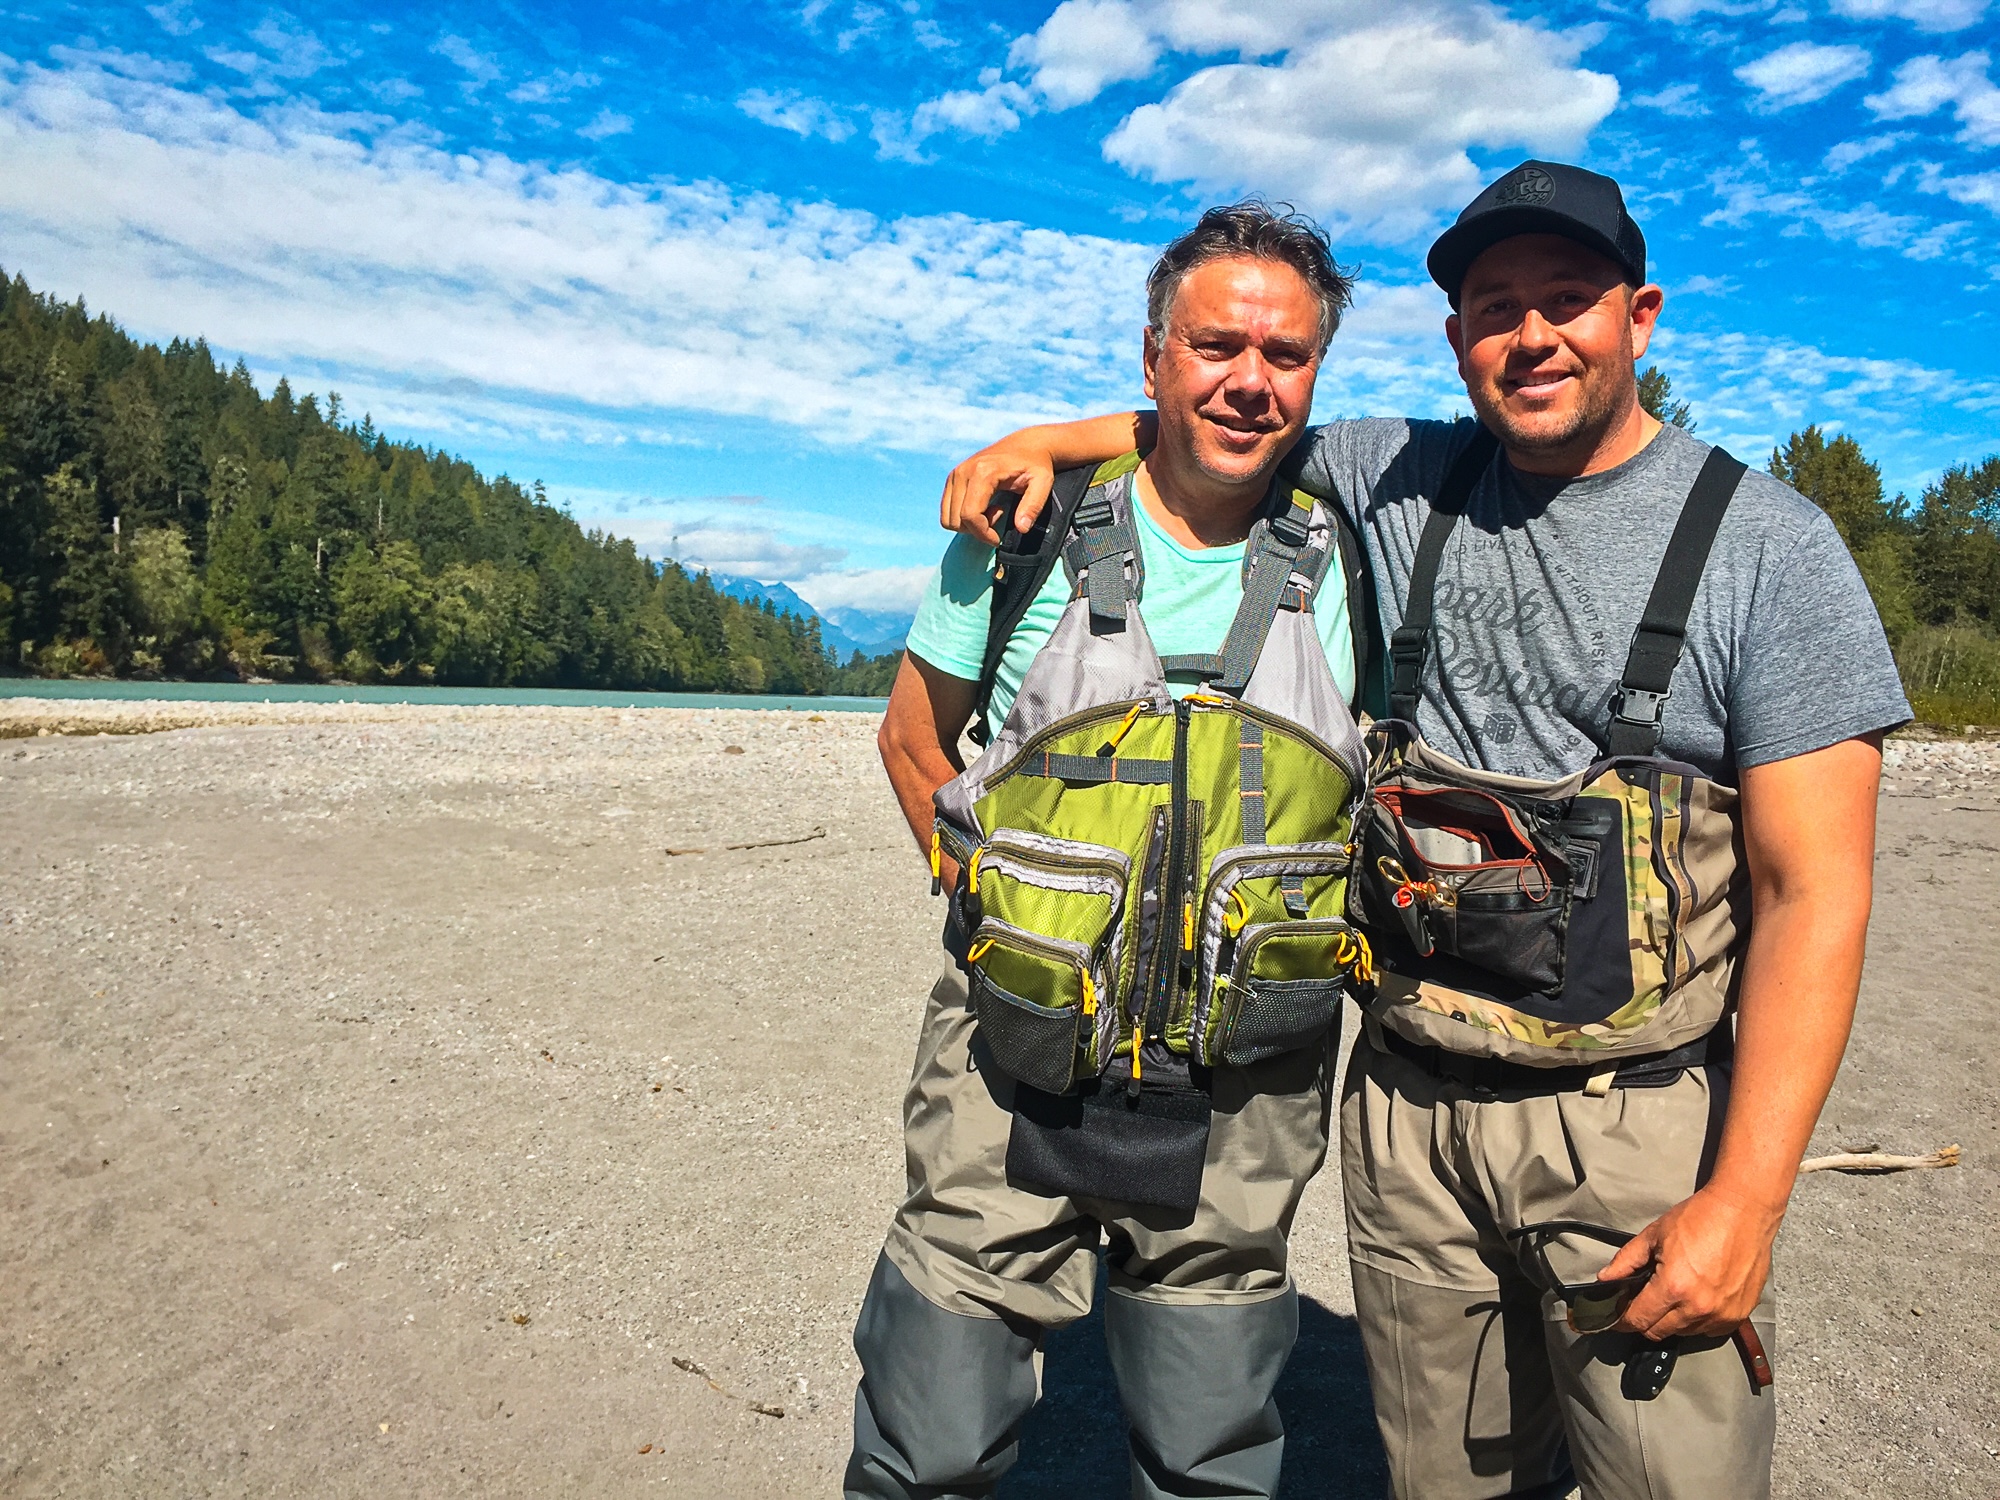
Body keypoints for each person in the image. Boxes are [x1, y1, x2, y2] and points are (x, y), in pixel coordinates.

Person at [938, 160, 1910, 1499]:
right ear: (1457, 339)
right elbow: (1221, 418)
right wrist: (1039, 444)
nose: (1532, 336)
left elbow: (1817, 895)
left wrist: (1745, 1204)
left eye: (1569, 300)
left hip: (1634, 1123)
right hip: (1407, 1113)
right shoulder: (1399, 476)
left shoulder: (1769, 550)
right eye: (1495, 308)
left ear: (1643, 316)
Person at [848, 203, 1374, 1500]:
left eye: (1287, 354)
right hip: (1007, 1066)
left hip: (1244, 1097)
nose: (1250, 379)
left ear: (1315, 376)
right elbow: (913, 742)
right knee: (932, 1443)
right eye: (1214, 344)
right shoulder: (1021, 535)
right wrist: (984, 900)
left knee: (1207, 1459)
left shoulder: (1360, 552)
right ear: (1152, 360)